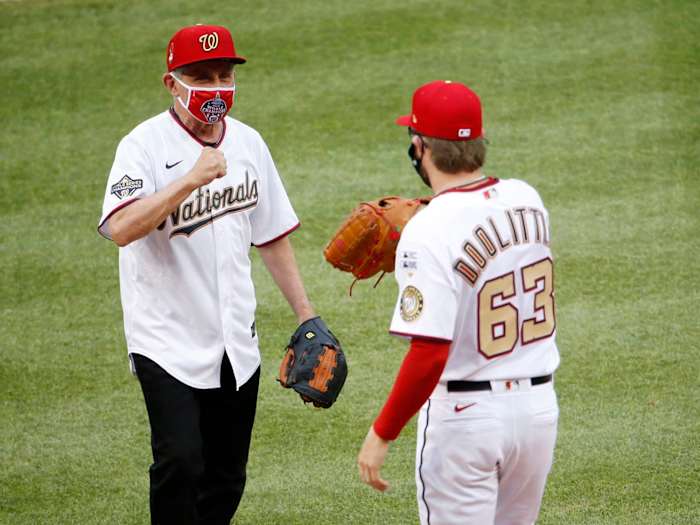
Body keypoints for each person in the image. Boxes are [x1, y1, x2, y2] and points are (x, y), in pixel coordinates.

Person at [98, 24, 323, 525]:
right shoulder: (142, 146)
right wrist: (189, 180)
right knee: (180, 461)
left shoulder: (249, 144)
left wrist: (308, 315)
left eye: (224, 76)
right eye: (202, 77)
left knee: (226, 475)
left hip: (236, 341)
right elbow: (120, 227)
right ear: (171, 83)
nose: (217, 88)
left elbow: (272, 235)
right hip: (165, 341)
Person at [357, 80, 560, 524]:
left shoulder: (428, 230)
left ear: (420, 147)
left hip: (466, 421)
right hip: (537, 412)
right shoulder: (528, 199)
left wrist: (381, 432)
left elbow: (429, 352)